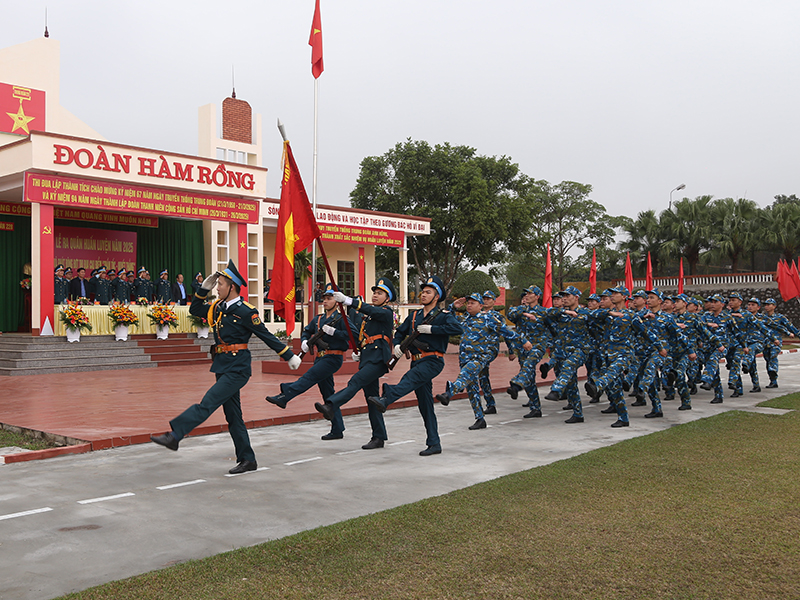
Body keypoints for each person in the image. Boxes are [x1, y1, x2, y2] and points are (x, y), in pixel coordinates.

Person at [150, 259, 301, 474]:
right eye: (217, 283)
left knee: (207, 403)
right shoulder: (218, 308)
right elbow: (195, 309)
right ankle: (248, 460)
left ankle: (175, 435)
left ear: (232, 287)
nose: (217, 287)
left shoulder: (246, 311)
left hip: (238, 368)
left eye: (220, 284)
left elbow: (265, 335)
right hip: (222, 366)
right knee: (233, 417)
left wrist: (288, 355)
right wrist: (203, 289)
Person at [367, 276, 463, 454]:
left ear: (436, 296)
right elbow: (399, 333)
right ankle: (434, 443)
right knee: (425, 404)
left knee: (410, 378)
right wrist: (397, 345)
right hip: (417, 360)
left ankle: (387, 398)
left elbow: (458, 329)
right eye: (423, 291)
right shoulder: (414, 316)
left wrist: (433, 329)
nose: (423, 294)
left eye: (428, 292)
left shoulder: (443, 316)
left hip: (433, 360)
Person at [314, 279, 396, 450]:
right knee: (371, 399)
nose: (375, 295)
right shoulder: (369, 316)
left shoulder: (386, 313)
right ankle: (378, 436)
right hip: (367, 359)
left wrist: (349, 301)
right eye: (374, 292)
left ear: (387, 298)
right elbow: (360, 334)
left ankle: (331, 405)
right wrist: (359, 350)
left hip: (378, 360)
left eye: (380, 293)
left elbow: (369, 309)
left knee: (355, 382)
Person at [266, 283, 353, 441]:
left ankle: (285, 395)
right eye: (324, 298)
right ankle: (337, 428)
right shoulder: (318, 319)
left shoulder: (342, 318)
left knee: (309, 377)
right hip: (320, 357)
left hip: (333, 357)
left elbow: (352, 334)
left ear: (337, 300)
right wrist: (305, 341)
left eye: (329, 298)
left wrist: (335, 332)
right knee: (328, 394)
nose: (325, 301)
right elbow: (307, 330)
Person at [432, 291, 519, 431]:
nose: (469, 305)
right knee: (472, 386)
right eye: (468, 303)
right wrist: (453, 306)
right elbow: (447, 318)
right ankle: (480, 418)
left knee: (470, 373)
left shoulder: (489, 318)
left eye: (473, 303)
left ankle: (450, 392)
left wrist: (517, 346)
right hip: (466, 357)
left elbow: (507, 332)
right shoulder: (465, 318)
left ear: (481, 305)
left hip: (483, 355)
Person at [760, 298, 799, 388]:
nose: (766, 307)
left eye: (769, 305)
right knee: (768, 359)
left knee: (773, 356)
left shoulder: (780, 317)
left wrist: (796, 334)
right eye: (765, 305)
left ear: (774, 306)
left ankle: (773, 371)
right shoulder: (762, 317)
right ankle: (773, 381)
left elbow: (790, 326)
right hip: (765, 342)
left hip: (776, 342)